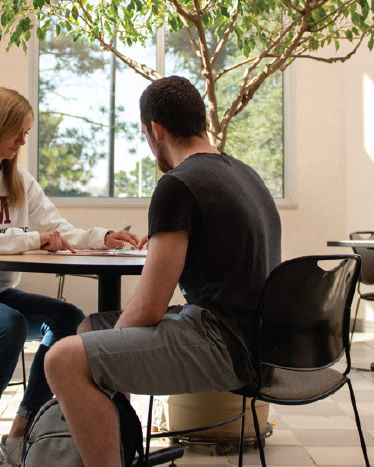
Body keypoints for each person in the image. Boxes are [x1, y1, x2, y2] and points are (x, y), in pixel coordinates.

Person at [43, 76, 282, 467]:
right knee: (90, 329)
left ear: (155, 130)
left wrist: (107, 357)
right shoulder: (245, 175)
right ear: (200, 120)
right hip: (260, 339)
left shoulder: (177, 184)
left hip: (226, 345)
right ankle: (118, 452)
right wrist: (105, 347)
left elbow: (150, 307)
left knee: (63, 359)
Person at [0, 87, 145, 467]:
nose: (22, 141)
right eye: (17, 132)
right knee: (8, 325)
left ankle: (21, 430)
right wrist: (32, 239)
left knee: (68, 319)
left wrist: (104, 237)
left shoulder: (18, 180)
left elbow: (58, 228)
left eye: (27, 133)